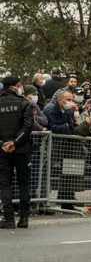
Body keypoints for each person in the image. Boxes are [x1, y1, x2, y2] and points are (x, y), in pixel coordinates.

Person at [0, 77, 34, 229]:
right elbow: (27, 127)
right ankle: (24, 218)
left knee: (5, 183)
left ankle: (8, 219)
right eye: (19, 86)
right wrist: (15, 142)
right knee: (23, 182)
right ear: (14, 87)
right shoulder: (24, 103)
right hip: (21, 149)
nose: (21, 88)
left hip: (3, 150)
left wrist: (3, 144)